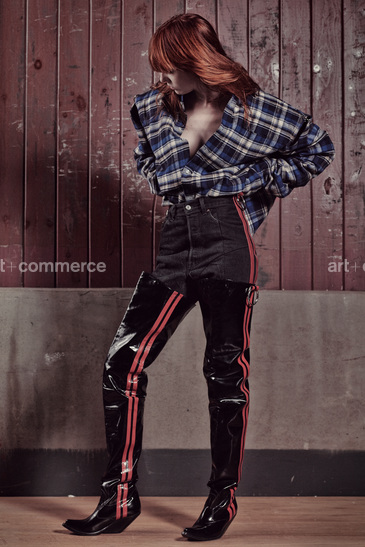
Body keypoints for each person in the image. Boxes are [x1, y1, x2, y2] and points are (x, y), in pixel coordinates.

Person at [63, 13, 335, 541]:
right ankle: (118, 500)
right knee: (123, 362)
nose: (161, 76)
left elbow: (317, 148)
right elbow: (159, 172)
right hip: (177, 242)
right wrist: (185, 146)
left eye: (168, 65)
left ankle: (221, 501)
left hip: (228, 240)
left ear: (194, 59)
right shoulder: (154, 108)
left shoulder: (256, 111)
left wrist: (254, 178)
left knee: (225, 372)